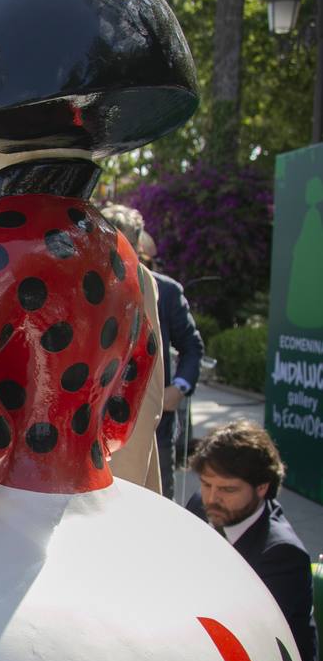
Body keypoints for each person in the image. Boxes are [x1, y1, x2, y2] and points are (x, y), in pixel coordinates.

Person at [185, 420, 321, 661]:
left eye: (227, 489)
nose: (212, 497)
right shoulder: (202, 505)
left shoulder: (282, 554)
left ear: (262, 487)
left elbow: (254, 647)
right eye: (206, 484)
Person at [100, 203, 203, 498]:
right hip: (102, 435)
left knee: (155, 505)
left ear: (137, 242)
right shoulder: (90, 286)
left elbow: (192, 347)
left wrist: (179, 387)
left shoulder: (165, 290)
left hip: (156, 430)